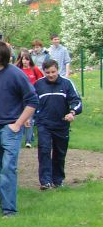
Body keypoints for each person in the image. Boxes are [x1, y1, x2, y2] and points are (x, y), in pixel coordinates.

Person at [0, 41, 38, 217]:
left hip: (10, 129)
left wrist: (17, 124)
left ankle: (9, 210)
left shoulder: (16, 74)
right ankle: (4, 205)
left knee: (8, 168)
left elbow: (32, 101)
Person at [34, 59, 83, 190]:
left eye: (53, 72)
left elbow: (76, 100)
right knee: (44, 150)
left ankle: (58, 180)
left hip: (62, 123)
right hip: (44, 123)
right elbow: (31, 102)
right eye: (48, 72)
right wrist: (30, 118)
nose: (51, 75)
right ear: (44, 72)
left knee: (60, 153)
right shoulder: (38, 85)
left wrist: (72, 112)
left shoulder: (67, 83)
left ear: (58, 70)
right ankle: (45, 181)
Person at [16, 51, 44, 148]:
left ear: (30, 60)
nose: (25, 61)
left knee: (29, 118)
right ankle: (19, 138)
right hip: (20, 97)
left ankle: (28, 140)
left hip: (32, 96)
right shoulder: (18, 70)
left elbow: (41, 80)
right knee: (20, 117)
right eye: (23, 59)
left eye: (27, 59)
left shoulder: (34, 69)